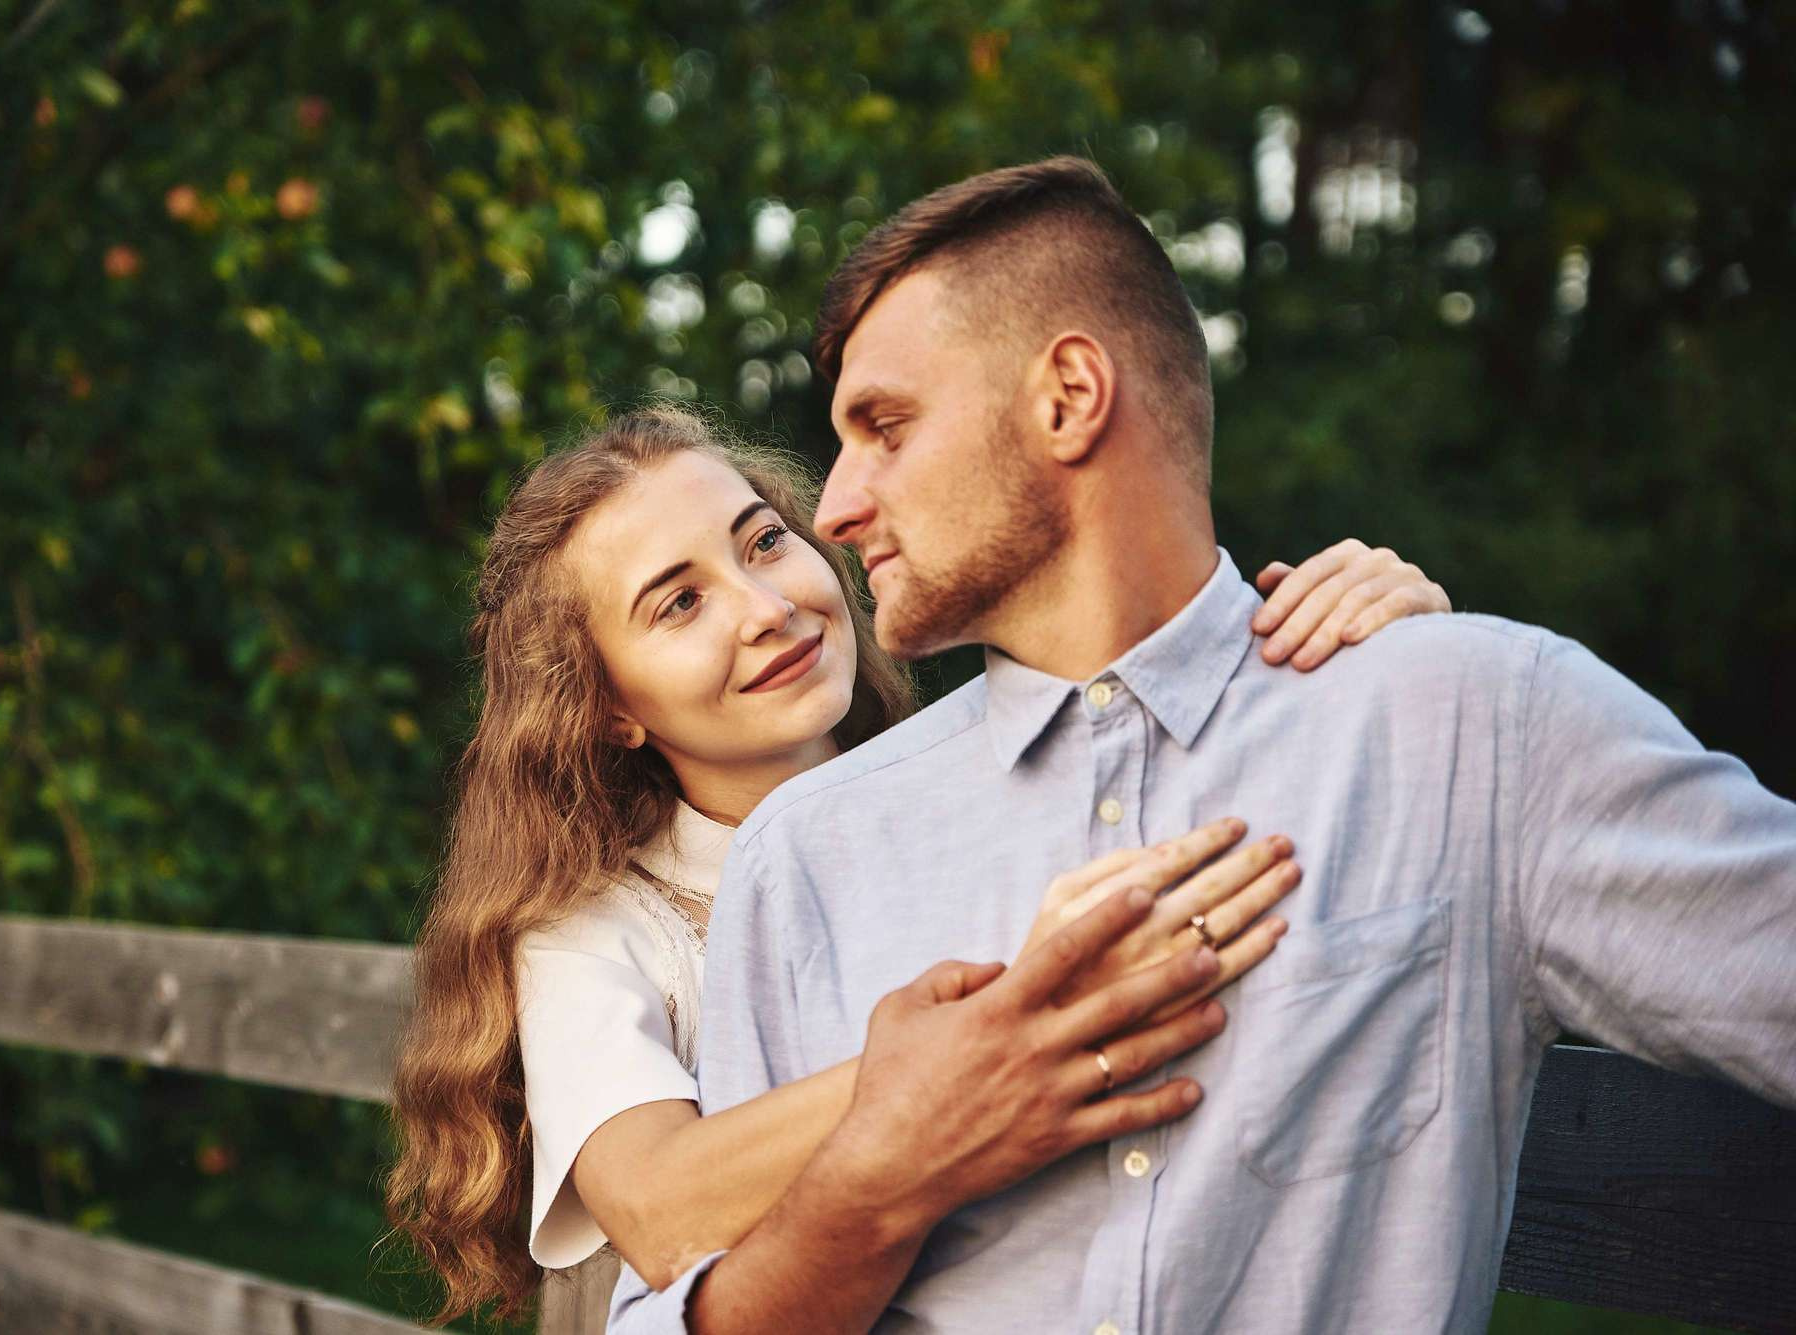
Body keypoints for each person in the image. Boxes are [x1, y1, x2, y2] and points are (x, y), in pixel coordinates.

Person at [608, 157, 1796, 1334]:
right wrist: (881, 1174)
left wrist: (1435, 682)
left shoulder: (1473, 722)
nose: (833, 507)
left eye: (885, 428)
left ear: (1068, 395)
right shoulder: (809, 853)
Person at [384, 404, 1453, 1325]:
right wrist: (979, 1050)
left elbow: (1264, 868)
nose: (766, 609)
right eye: (679, 602)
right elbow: (663, 1212)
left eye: (763, 543)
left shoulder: (1006, 761)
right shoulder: (593, 929)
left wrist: (1378, 662)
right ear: (608, 706)